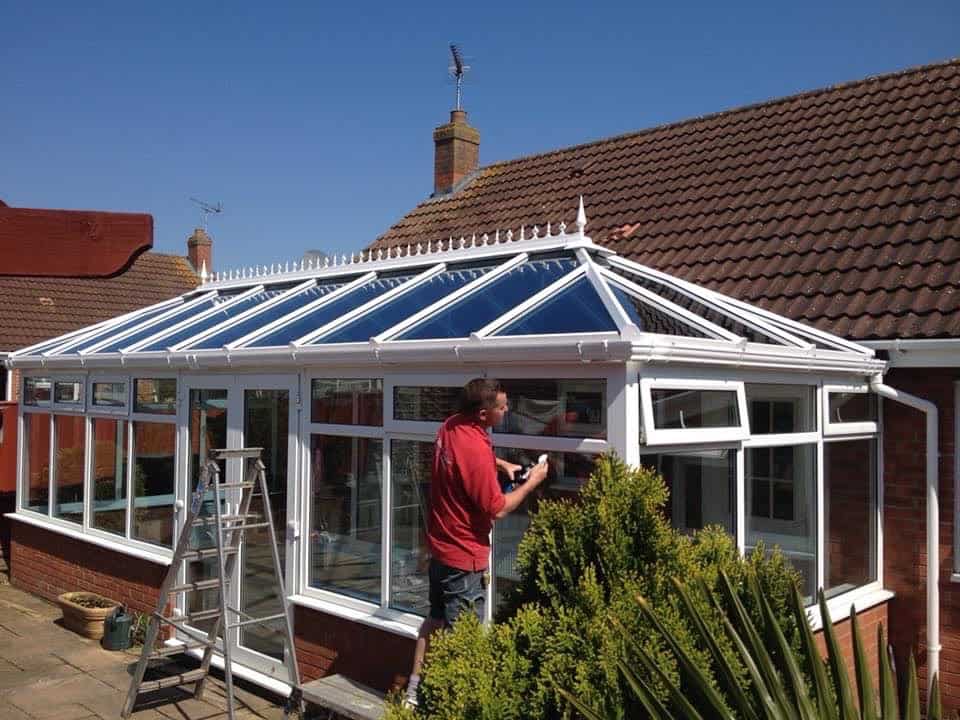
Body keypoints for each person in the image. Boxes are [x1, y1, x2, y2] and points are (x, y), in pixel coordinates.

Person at [404, 378, 549, 708]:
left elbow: (468, 462)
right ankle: (451, 706)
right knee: (463, 638)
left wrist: (501, 464)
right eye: (502, 407)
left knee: (434, 619)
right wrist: (532, 482)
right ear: (483, 413)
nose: (507, 410)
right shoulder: (473, 445)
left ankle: (413, 692)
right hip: (463, 557)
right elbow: (498, 509)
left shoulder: (450, 426)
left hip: (440, 549)